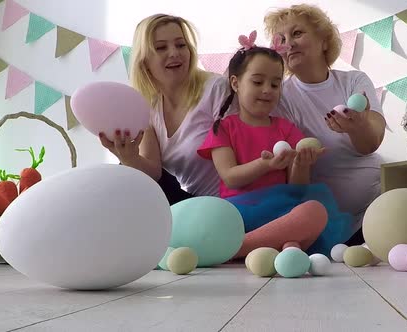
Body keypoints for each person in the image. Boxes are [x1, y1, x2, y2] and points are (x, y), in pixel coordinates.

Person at [197, 31, 353, 257]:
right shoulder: (223, 128)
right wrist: (265, 165)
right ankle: (261, 246)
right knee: (211, 222)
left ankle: (249, 249)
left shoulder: (286, 129)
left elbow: (298, 187)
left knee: (315, 211)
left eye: (275, 83)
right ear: (235, 83)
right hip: (239, 214)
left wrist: (301, 163)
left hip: (282, 214)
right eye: (258, 81)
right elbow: (230, 176)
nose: (267, 89)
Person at [264, 4, 387, 245]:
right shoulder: (280, 97)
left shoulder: (354, 81)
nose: (288, 44)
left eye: (297, 34)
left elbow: (371, 144)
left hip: (373, 212)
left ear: (323, 41)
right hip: (324, 227)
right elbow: (292, 179)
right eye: (281, 39)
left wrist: (357, 126)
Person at [98, 14, 231, 204]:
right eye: (161, 48)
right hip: (193, 205)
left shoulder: (215, 88)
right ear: (144, 61)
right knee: (125, 171)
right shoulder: (148, 108)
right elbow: (154, 173)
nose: (174, 53)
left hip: (232, 200)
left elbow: (244, 146)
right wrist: (129, 157)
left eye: (181, 45)